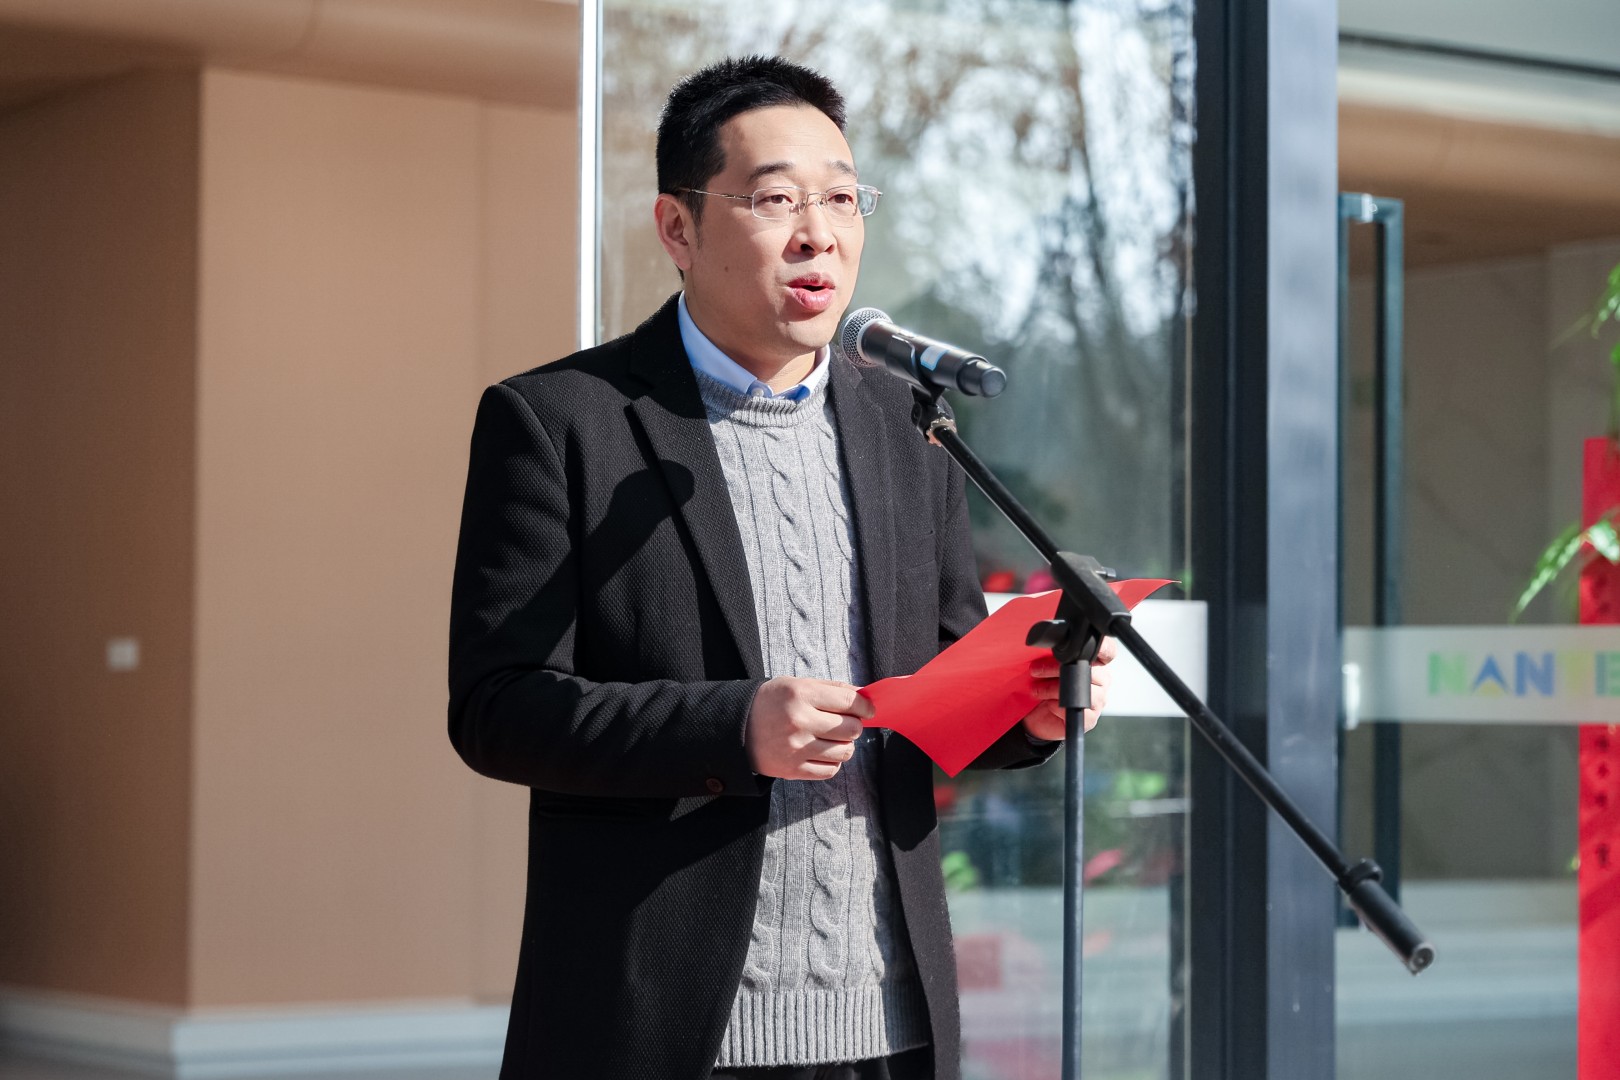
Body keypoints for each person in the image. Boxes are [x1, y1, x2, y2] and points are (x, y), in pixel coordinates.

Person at [447, 55, 1114, 1080]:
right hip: (665, 1030)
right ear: (678, 228)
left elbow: (934, 686)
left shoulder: (907, 424)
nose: (819, 233)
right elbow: (497, 709)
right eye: (775, 200)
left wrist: (1025, 714)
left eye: (841, 198)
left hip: (890, 1023)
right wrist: (733, 726)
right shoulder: (560, 422)